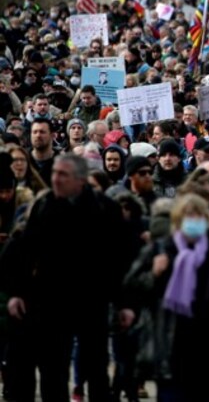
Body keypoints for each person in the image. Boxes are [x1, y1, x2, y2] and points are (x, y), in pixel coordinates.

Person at [2, 154, 132, 401]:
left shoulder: (105, 209)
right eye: (54, 174)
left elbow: (120, 261)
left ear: (80, 180)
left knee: (96, 368)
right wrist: (18, 293)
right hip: (51, 301)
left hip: (93, 300)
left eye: (63, 175)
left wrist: (123, 303)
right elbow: (24, 253)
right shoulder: (44, 206)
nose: (55, 180)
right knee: (54, 369)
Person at [122, 194, 209, 401]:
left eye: (199, 217)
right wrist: (153, 275)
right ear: (177, 220)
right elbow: (130, 285)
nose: (194, 221)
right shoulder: (162, 249)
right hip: (170, 343)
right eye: (188, 216)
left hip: (207, 345)